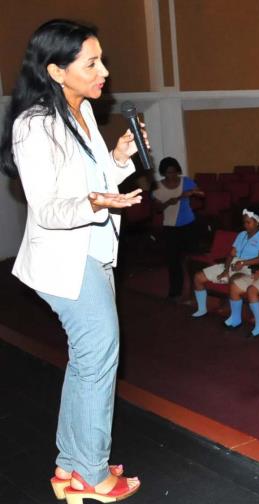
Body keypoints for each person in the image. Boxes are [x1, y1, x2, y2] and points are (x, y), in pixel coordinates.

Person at [0, 19, 142, 500]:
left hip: (94, 251)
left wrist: (120, 158)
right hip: (67, 256)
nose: (105, 70)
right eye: (92, 63)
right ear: (57, 71)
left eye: (102, 59)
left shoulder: (80, 112)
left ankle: (72, 464)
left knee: (91, 360)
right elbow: (49, 209)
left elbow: (93, 181)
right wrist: (99, 203)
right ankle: (90, 473)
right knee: (97, 359)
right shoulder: (35, 123)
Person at [192, 209, 259, 318]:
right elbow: (231, 254)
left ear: (257, 222)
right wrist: (225, 270)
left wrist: (243, 262)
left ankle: (235, 316)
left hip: (249, 268)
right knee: (198, 277)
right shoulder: (242, 234)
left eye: (248, 222)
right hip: (233, 265)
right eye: (244, 222)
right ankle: (202, 309)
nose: (245, 225)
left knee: (234, 280)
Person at [152, 157, 203, 299]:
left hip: (189, 225)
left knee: (191, 261)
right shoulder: (157, 187)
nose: (172, 175)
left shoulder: (185, 181)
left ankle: (195, 290)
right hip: (170, 227)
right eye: (169, 172)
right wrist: (169, 201)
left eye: (175, 171)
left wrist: (190, 193)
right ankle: (175, 290)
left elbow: (201, 193)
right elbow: (157, 208)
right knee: (173, 262)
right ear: (163, 173)